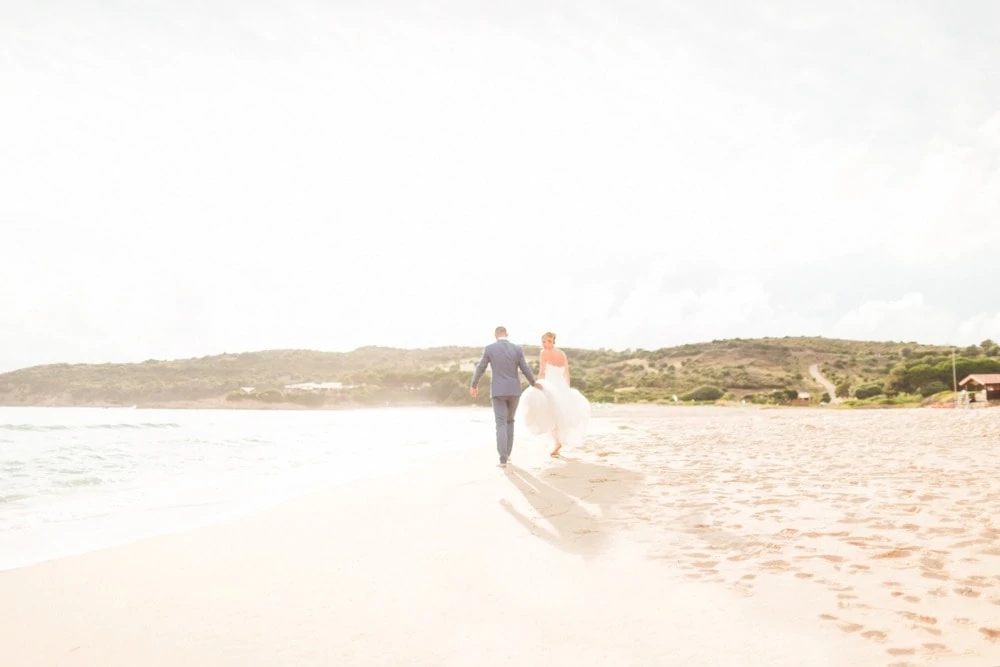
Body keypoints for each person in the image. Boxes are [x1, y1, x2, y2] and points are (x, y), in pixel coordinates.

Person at [470, 326, 543, 468]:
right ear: (506, 334)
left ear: (495, 335)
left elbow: (481, 367)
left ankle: (502, 460)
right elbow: (525, 368)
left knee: (500, 423)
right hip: (514, 391)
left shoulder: (490, 348)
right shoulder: (517, 349)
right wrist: (533, 383)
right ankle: (508, 455)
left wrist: (474, 384)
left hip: (498, 391)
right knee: (510, 421)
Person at [519, 331, 591, 457]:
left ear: (553, 341)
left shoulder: (543, 353)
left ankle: (557, 442)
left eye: (549, 341)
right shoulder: (562, 353)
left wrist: (538, 385)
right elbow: (566, 373)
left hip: (550, 386)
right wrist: (567, 388)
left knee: (551, 414)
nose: (546, 344)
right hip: (562, 386)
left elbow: (542, 372)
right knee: (560, 414)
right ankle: (558, 442)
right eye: (543, 342)